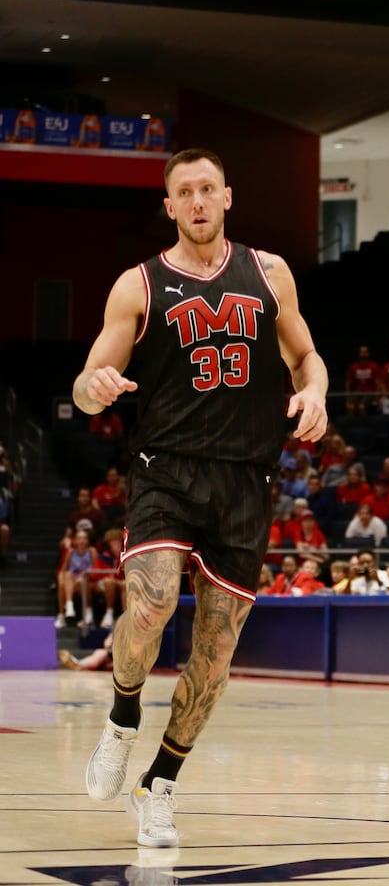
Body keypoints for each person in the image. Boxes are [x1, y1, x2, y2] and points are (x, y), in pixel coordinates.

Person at [72, 148, 328, 849]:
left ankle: (159, 785)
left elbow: (305, 354)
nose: (196, 201)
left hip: (246, 479)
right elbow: (92, 372)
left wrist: (315, 390)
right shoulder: (139, 285)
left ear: (227, 197)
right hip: (166, 469)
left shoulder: (269, 273)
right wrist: (91, 387)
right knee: (150, 602)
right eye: (183, 191)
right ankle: (123, 718)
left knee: (215, 650)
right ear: (169, 205)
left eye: (207, 188)